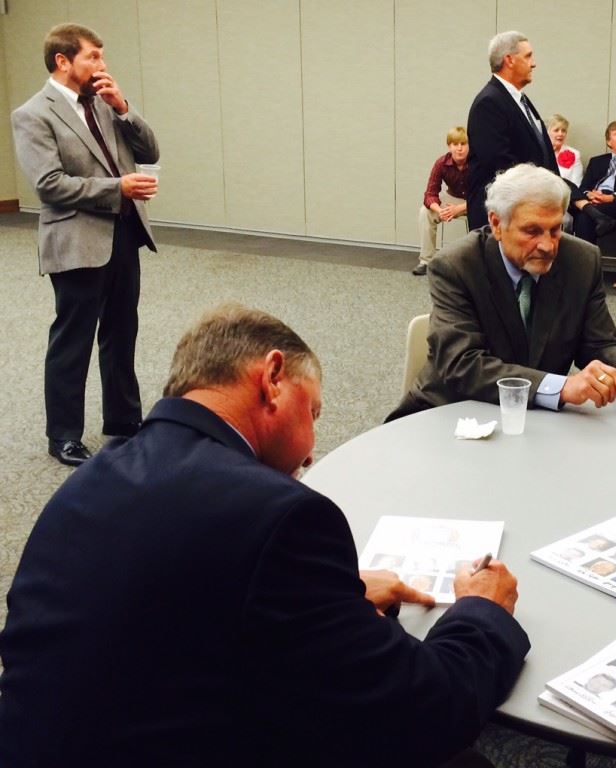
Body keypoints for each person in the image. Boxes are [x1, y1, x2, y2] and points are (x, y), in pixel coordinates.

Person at [0, 304, 530, 767]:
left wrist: (327, 603)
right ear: (272, 376)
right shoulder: (283, 518)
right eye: (314, 413)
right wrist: (481, 611)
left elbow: (171, 599)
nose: (311, 452)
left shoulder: (96, 477)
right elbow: (425, 712)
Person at [387, 163, 616, 421]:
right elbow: (463, 364)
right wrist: (561, 387)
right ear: (496, 224)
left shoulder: (581, 260)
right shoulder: (456, 265)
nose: (548, 245)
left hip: (533, 422)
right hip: (451, 414)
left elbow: (600, 342)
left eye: (555, 229)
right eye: (532, 231)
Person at [11, 23, 159, 467]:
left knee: (121, 331)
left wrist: (125, 107)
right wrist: (117, 189)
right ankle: (64, 437)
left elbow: (149, 150)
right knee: (72, 340)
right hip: (76, 240)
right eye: (93, 56)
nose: (102, 64)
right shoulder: (33, 114)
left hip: (124, 234)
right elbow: (49, 184)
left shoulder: (105, 102)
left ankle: (123, 419)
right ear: (63, 60)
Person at [465, 31, 560, 229]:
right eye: (528, 56)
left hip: (528, 209)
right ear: (509, 60)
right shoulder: (489, 102)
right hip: (503, 216)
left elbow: (541, 151)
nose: (533, 63)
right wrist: (540, 191)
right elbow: (499, 162)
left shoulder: (520, 100)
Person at [414, 126, 470, 276]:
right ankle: (426, 261)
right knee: (425, 212)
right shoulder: (441, 163)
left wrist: (459, 209)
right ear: (449, 146)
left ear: (469, 146)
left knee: (490, 209)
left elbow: (485, 195)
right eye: (455, 144)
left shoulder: (478, 163)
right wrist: (441, 210)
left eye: (463, 144)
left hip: (474, 199)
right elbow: (430, 193)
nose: (459, 149)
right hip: (452, 197)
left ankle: (480, 263)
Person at [547, 113, 583, 186]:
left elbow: (576, 183)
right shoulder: (539, 152)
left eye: (563, 131)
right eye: (556, 130)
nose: (560, 134)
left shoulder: (575, 153)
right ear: (546, 132)